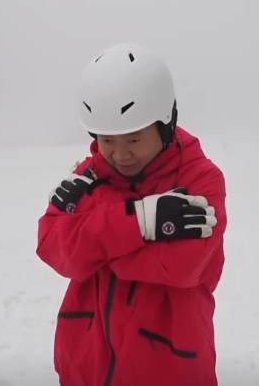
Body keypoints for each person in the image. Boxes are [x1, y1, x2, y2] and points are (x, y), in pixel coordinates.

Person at [36, 43, 227, 386]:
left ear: (165, 125)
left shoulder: (201, 179)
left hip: (167, 369)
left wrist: (93, 233)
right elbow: (52, 245)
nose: (120, 155)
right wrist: (143, 220)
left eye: (134, 140)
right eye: (107, 140)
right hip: (87, 365)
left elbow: (182, 266)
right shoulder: (88, 173)